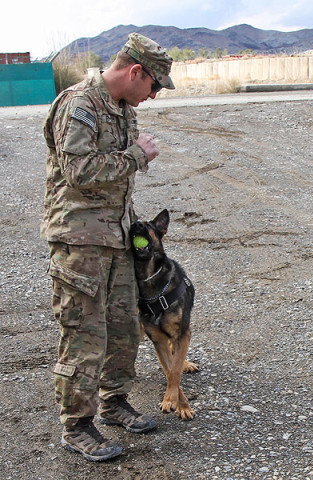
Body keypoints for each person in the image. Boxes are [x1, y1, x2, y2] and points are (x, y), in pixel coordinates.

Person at [41, 33, 175, 462]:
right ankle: (77, 426)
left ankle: (114, 402)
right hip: (79, 241)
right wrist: (137, 156)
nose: (154, 96)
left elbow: (116, 178)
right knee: (84, 334)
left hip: (117, 239)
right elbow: (79, 172)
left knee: (122, 329)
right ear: (136, 72)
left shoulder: (122, 109)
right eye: (154, 86)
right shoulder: (79, 104)